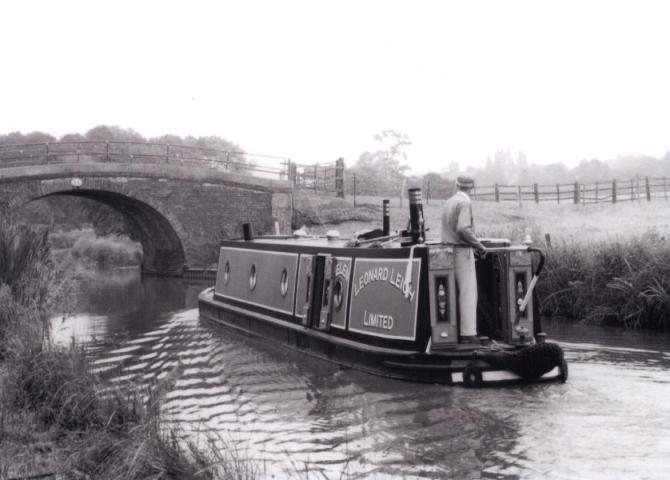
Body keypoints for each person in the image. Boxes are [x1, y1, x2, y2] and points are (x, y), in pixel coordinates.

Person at [441, 175, 487, 343]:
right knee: (468, 293)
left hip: (446, 251)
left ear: (457, 185)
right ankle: (468, 334)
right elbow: (463, 229)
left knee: (447, 293)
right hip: (462, 251)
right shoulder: (465, 203)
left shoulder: (449, 202)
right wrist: (479, 245)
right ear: (472, 187)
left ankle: (446, 333)